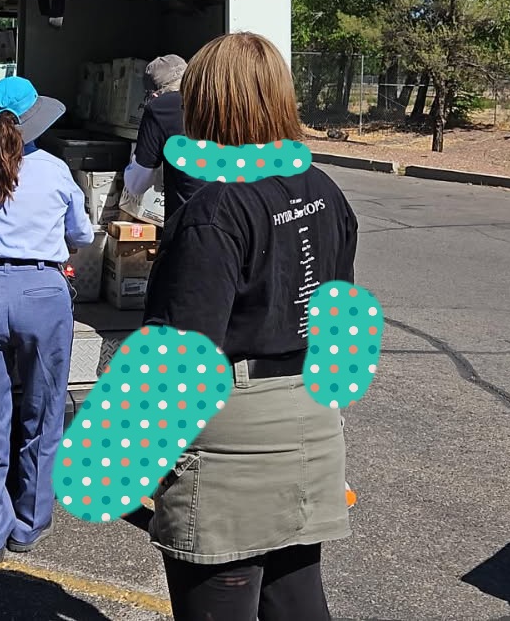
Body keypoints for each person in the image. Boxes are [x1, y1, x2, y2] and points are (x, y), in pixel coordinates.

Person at [141, 32, 360, 621]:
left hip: (234, 428)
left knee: (220, 598)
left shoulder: (214, 209)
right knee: (294, 596)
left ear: (207, 104)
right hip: (311, 412)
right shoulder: (323, 189)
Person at [0, 76, 96, 564]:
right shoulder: (56, 171)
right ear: (36, 120)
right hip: (44, 293)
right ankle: (28, 524)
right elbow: (82, 235)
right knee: (43, 414)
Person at [122, 54, 205, 221]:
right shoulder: (213, 99)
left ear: (153, 94)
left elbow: (136, 184)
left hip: (192, 221)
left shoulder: (160, 107)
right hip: (236, 214)